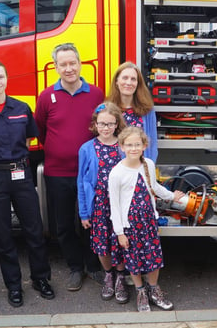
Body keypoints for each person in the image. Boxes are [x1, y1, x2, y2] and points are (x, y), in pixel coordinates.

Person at [0, 59, 54, 308]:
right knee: (3, 234)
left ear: (7, 79)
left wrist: (14, 162)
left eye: (1, 77)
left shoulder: (22, 107)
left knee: (34, 229)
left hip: (21, 174)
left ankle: (41, 279)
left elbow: (28, 141)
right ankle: (14, 286)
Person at [35, 43, 105, 291]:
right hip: (58, 172)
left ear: (80, 63)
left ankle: (93, 266)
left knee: (92, 222)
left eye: (72, 63)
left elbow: (104, 127)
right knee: (63, 225)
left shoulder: (97, 95)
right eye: (62, 64)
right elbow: (41, 131)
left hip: (90, 173)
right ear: (55, 67)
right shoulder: (46, 97)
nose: (68, 68)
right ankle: (75, 268)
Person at [108, 126, 185, 312]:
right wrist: (120, 233)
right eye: (129, 145)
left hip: (148, 222)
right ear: (121, 147)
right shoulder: (117, 173)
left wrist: (171, 196)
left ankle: (154, 290)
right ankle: (140, 291)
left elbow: (154, 187)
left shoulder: (148, 164)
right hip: (130, 226)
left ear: (144, 146)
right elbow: (115, 206)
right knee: (134, 261)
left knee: (154, 259)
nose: (133, 148)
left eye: (137, 144)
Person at [78, 102, 129, 304]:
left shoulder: (124, 147)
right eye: (101, 124)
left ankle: (121, 278)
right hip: (99, 205)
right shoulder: (87, 148)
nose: (105, 128)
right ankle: (108, 275)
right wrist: (84, 212)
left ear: (117, 124)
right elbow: (82, 181)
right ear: (95, 124)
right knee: (102, 245)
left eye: (110, 124)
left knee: (121, 242)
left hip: (120, 205)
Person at [105, 62, 158, 161]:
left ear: (138, 84)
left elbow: (152, 143)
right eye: (125, 78)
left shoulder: (147, 110)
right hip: (112, 166)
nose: (129, 83)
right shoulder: (107, 109)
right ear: (116, 81)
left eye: (133, 79)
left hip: (138, 167)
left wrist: (148, 167)